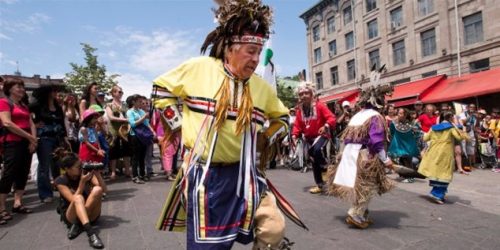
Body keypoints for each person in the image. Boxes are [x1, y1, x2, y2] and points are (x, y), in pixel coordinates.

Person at [152, 1, 306, 249]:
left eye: (259, 51)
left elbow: (283, 118)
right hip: (205, 177)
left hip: (245, 175)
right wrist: (179, 127)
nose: (256, 59)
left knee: (273, 229)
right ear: (229, 48)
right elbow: (161, 90)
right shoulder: (199, 68)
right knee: (210, 247)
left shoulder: (260, 88)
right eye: (250, 51)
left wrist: (266, 137)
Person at [327, 68, 394, 229]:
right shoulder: (375, 117)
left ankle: (363, 213)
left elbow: (346, 137)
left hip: (350, 154)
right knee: (368, 186)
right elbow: (377, 142)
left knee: (360, 185)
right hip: (365, 156)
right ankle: (355, 213)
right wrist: (386, 159)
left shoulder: (357, 115)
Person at [0, 77, 37, 225]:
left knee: (23, 172)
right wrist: (29, 137)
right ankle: (2, 208)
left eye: (22, 87)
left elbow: (31, 123)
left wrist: (33, 140)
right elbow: (7, 123)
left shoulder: (23, 105)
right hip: (12, 143)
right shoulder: (4, 102)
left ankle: (17, 203)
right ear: (9, 89)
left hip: (26, 143)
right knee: (9, 173)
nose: (22, 89)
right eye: (18, 87)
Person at [53, 150, 105, 249]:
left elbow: (104, 189)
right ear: (67, 169)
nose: (81, 168)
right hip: (72, 216)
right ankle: (91, 234)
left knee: (97, 189)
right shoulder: (60, 181)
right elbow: (73, 200)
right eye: (78, 167)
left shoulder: (85, 173)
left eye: (81, 165)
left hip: (90, 215)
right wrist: (82, 183)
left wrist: (98, 175)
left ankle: (79, 225)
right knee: (78, 197)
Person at [291, 82, 336, 194]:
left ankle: (326, 168)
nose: (304, 96)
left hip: (322, 136)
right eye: (301, 94)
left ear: (311, 94)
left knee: (316, 150)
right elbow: (297, 125)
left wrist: (325, 126)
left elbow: (332, 118)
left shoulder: (320, 106)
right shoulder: (299, 111)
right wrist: (294, 135)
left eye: (306, 93)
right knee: (314, 161)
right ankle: (320, 185)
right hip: (309, 139)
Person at [418, 111, 468, 204]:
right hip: (445, 153)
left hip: (434, 151)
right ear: (450, 118)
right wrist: (461, 128)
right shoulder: (451, 128)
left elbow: (425, 138)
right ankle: (436, 194)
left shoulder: (433, 127)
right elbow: (460, 137)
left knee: (436, 171)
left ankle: (438, 193)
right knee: (445, 172)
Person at [30, 84, 67, 203]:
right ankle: (45, 194)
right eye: (54, 91)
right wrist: (34, 125)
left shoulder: (57, 106)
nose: (56, 93)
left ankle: (64, 189)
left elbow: (61, 122)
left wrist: (64, 137)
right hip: (44, 139)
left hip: (58, 139)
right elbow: (26, 116)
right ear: (47, 92)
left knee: (61, 165)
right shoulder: (37, 106)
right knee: (44, 167)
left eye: (56, 90)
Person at [126, 95, 155, 184]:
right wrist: (143, 117)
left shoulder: (141, 111)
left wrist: (152, 131)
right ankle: (135, 176)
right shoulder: (130, 112)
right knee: (135, 157)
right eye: (138, 101)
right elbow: (133, 124)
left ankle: (142, 174)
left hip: (143, 136)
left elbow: (146, 124)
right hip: (135, 136)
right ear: (133, 102)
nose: (140, 103)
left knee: (142, 156)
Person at [388, 108, 422, 183]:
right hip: (398, 143)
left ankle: (410, 177)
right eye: (398, 113)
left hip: (409, 144)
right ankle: (404, 175)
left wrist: (416, 142)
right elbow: (392, 132)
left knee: (407, 160)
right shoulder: (394, 122)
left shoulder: (413, 123)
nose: (399, 115)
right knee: (400, 159)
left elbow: (418, 133)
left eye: (401, 113)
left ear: (405, 114)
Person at [105, 85, 131, 179]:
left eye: (121, 92)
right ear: (113, 93)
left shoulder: (124, 105)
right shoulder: (109, 105)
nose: (121, 93)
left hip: (124, 130)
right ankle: (113, 172)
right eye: (119, 92)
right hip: (114, 131)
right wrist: (124, 120)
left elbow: (128, 116)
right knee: (113, 151)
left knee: (126, 150)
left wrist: (126, 120)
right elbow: (111, 117)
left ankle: (127, 170)